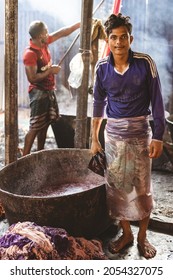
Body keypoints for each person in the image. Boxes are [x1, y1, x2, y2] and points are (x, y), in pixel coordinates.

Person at [90, 13, 165, 259]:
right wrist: (94, 138)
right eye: (114, 37)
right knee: (117, 189)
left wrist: (159, 136)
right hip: (113, 136)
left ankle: (142, 238)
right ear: (108, 40)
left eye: (123, 37)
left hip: (140, 133)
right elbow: (98, 104)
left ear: (130, 39)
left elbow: (157, 101)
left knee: (142, 189)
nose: (119, 42)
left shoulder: (145, 63)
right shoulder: (101, 68)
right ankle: (127, 234)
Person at [22, 20, 80, 156]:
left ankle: (40, 154)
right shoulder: (30, 53)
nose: (48, 34)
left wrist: (79, 24)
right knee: (35, 127)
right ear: (38, 36)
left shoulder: (44, 42)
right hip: (38, 93)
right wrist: (50, 71)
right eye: (45, 32)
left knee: (45, 124)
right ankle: (24, 158)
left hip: (49, 90)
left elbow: (63, 32)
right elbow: (32, 78)